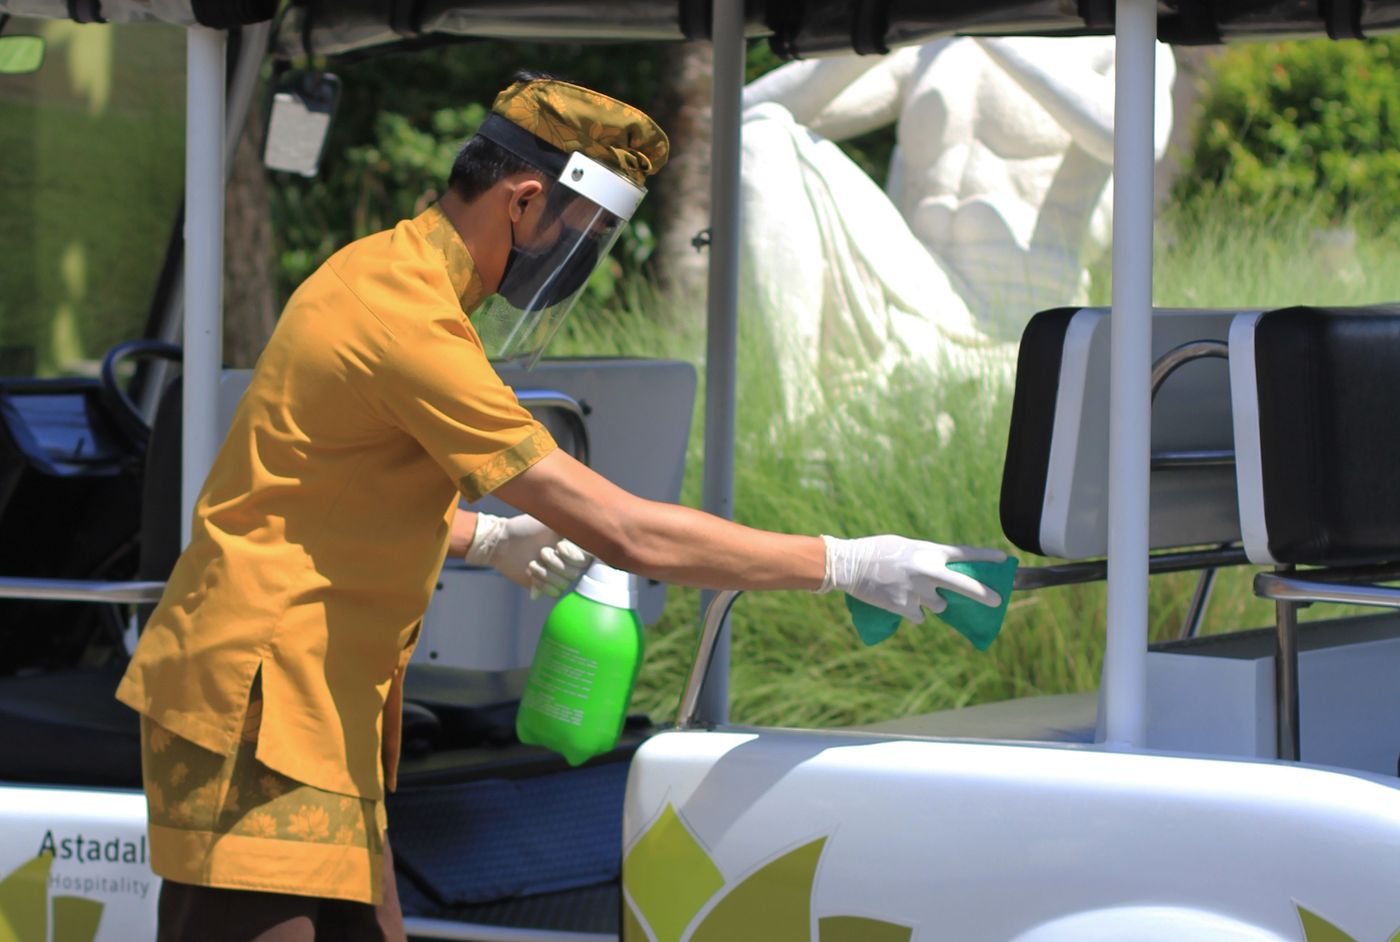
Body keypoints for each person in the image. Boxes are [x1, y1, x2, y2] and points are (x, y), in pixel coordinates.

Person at [116, 73, 1005, 941]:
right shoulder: (403, 318)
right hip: (260, 703)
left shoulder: (399, 278)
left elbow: (315, 495)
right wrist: (844, 562)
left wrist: (482, 536)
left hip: (318, 708)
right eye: (582, 234)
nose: (581, 260)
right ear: (524, 201)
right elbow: (624, 530)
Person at [740, 36, 1176, 422]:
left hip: (1021, 316)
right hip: (916, 288)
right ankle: (795, 420)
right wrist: (883, 27)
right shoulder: (933, 47)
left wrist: (991, 25)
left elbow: (1143, 140)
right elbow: (743, 111)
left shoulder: (1118, 39)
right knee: (761, 137)